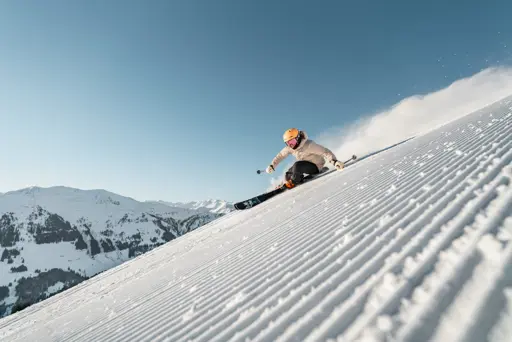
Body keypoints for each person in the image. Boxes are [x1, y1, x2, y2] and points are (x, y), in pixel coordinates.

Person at [266, 128, 344, 188]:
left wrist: (335, 161)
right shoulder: (290, 148)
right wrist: (272, 165)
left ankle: (294, 182)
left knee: (297, 166)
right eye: (288, 143)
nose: (290, 145)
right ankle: (287, 182)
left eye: (292, 142)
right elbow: (280, 155)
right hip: (304, 165)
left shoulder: (309, 145)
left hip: (316, 166)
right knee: (288, 174)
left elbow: (325, 152)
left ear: (297, 138)